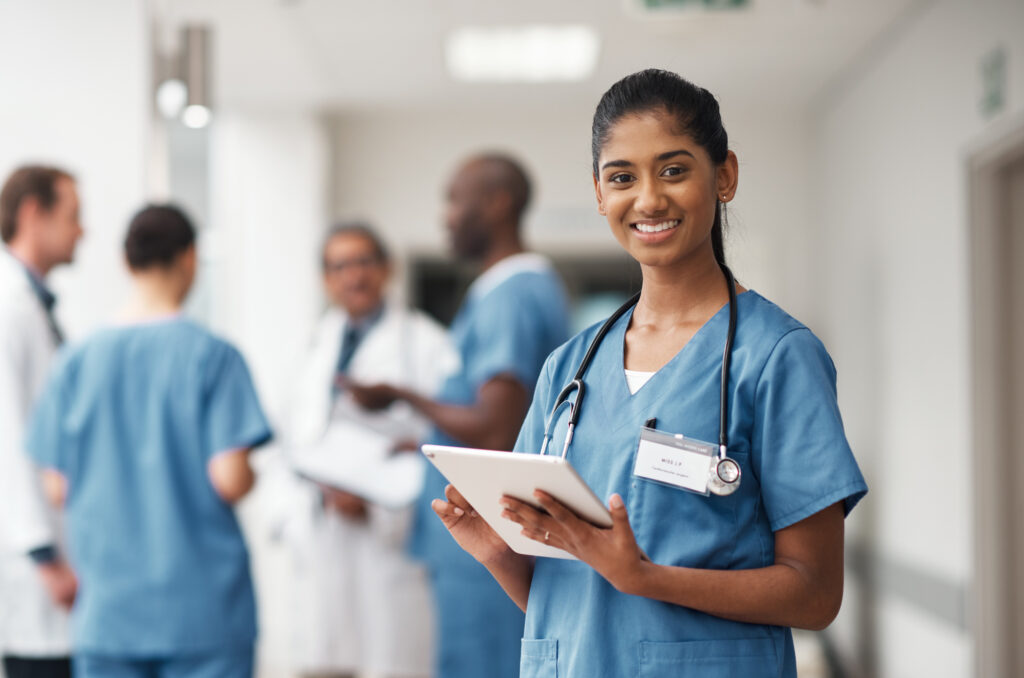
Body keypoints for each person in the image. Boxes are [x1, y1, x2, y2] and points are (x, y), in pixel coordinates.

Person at [430, 69, 869, 677]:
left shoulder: (775, 357)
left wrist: (644, 577)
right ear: (599, 194)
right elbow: (572, 603)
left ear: (725, 176)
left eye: (673, 170)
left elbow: (816, 594)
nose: (648, 199)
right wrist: (497, 556)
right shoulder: (569, 368)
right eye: (622, 178)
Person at [24, 204, 272, 678]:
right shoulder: (213, 357)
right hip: (204, 616)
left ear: (125, 262)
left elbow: (56, 488)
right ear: (190, 259)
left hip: (110, 615)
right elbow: (230, 479)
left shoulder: (77, 362)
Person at [348, 153, 570, 678]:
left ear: (497, 204)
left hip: (492, 537)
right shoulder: (510, 291)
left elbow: (495, 426)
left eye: (454, 200)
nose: (445, 216)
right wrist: (427, 434)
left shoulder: (511, 297)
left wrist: (403, 395)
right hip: (490, 536)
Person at [281, 222, 458, 678]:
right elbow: (296, 433)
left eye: (363, 262)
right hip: (324, 528)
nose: (353, 276)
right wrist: (322, 491)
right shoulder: (316, 341)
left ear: (386, 269)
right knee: (324, 659)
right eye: (340, 266)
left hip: (389, 531)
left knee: (389, 660)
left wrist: (376, 500)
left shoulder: (427, 343)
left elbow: (444, 442)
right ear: (327, 279)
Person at [0, 165, 82, 678]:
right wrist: (44, 554)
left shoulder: (29, 302)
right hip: (33, 563)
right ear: (33, 214)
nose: (82, 231)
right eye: (73, 216)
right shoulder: (8, 305)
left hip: (44, 552)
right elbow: (6, 434)